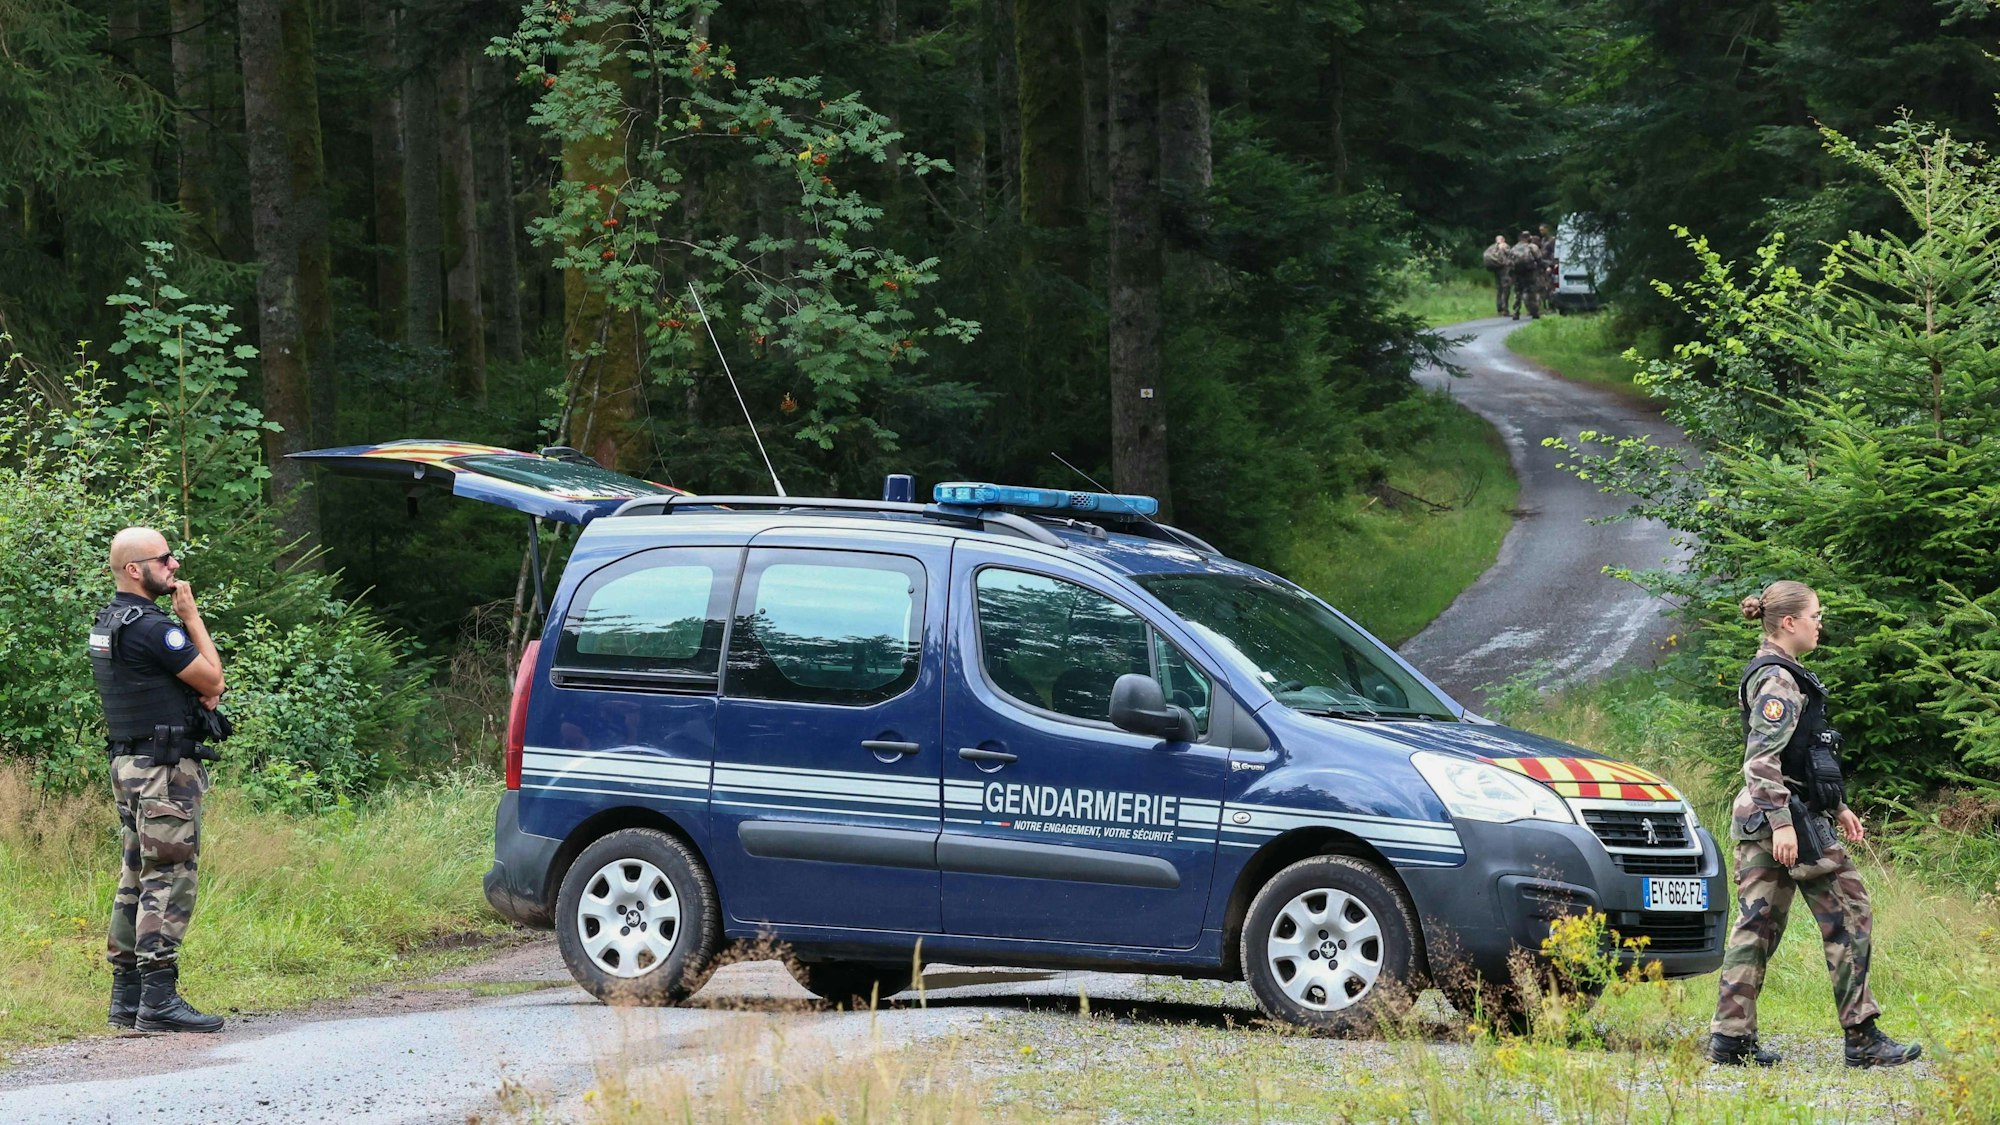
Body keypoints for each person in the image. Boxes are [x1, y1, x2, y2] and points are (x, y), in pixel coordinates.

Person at [1708, 580, 1921, 1068]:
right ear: (1789, 622)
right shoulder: (1779, 680)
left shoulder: (1784, 673)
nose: (1820, 624)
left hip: (1771, 815)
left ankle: (1731, 1038)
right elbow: (1761, 759)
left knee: (1757, 925)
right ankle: (1862, 1038)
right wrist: (1784, 823)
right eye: (1815, 616)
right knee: (1850, 910)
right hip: (1786, 821)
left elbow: (1804, 754)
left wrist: (1838, 806)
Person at [90, 527, 227, 1034]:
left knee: (136, 873)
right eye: (164, 559)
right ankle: (158, 1000)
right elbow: (213, 679)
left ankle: (126, 998)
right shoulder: (153, 628)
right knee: (168, 875)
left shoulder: (109, 623)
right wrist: (191, 617)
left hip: (129, 767)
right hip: (162, 772)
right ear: (134, 569)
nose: (174, 566)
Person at [1507, 231, 1542, 320]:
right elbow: (1539, 259)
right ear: (1528, 238)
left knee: (1518, 292)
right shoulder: (1532, 247)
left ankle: (1516, 312)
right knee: (1532, 292)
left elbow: (1509, 263)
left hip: (1517, 274)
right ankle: (1534, 312)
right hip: (1530, 273)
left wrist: (1511, 274)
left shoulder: (1514, 248)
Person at [1482, 235, 1513, 316]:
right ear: (1503, 240)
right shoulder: (1505, 246)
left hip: (1496, 270)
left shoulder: (1491, 248)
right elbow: (1511, 255)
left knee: (1499, 289)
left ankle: (1499, 309)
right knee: (1505, 289)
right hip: (1504, 270)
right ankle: (1505, 309)